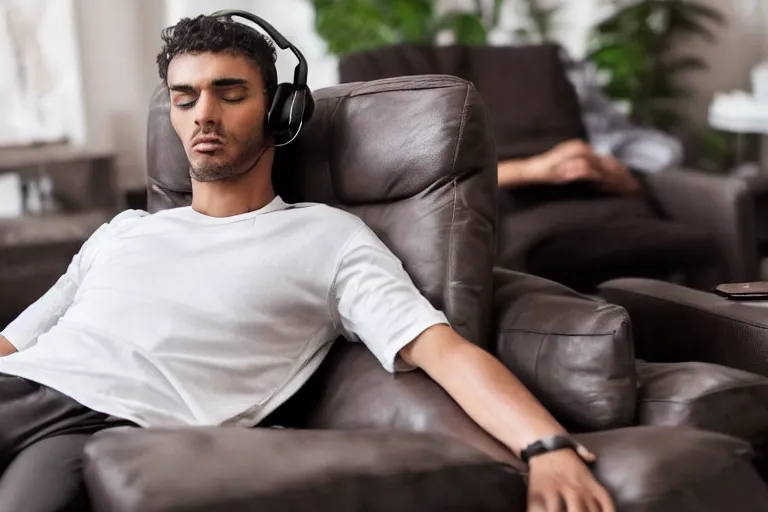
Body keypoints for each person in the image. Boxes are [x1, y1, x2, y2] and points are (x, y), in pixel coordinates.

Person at [0, 14, 613, 512]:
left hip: (108, 430)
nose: (202, 115)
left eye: (229, 93)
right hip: (23, 389)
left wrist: (546, 445)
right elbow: (14, 342)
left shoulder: (328, 239)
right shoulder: (124, 231)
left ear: (279, 113)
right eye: (185, 99)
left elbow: (442, 350)